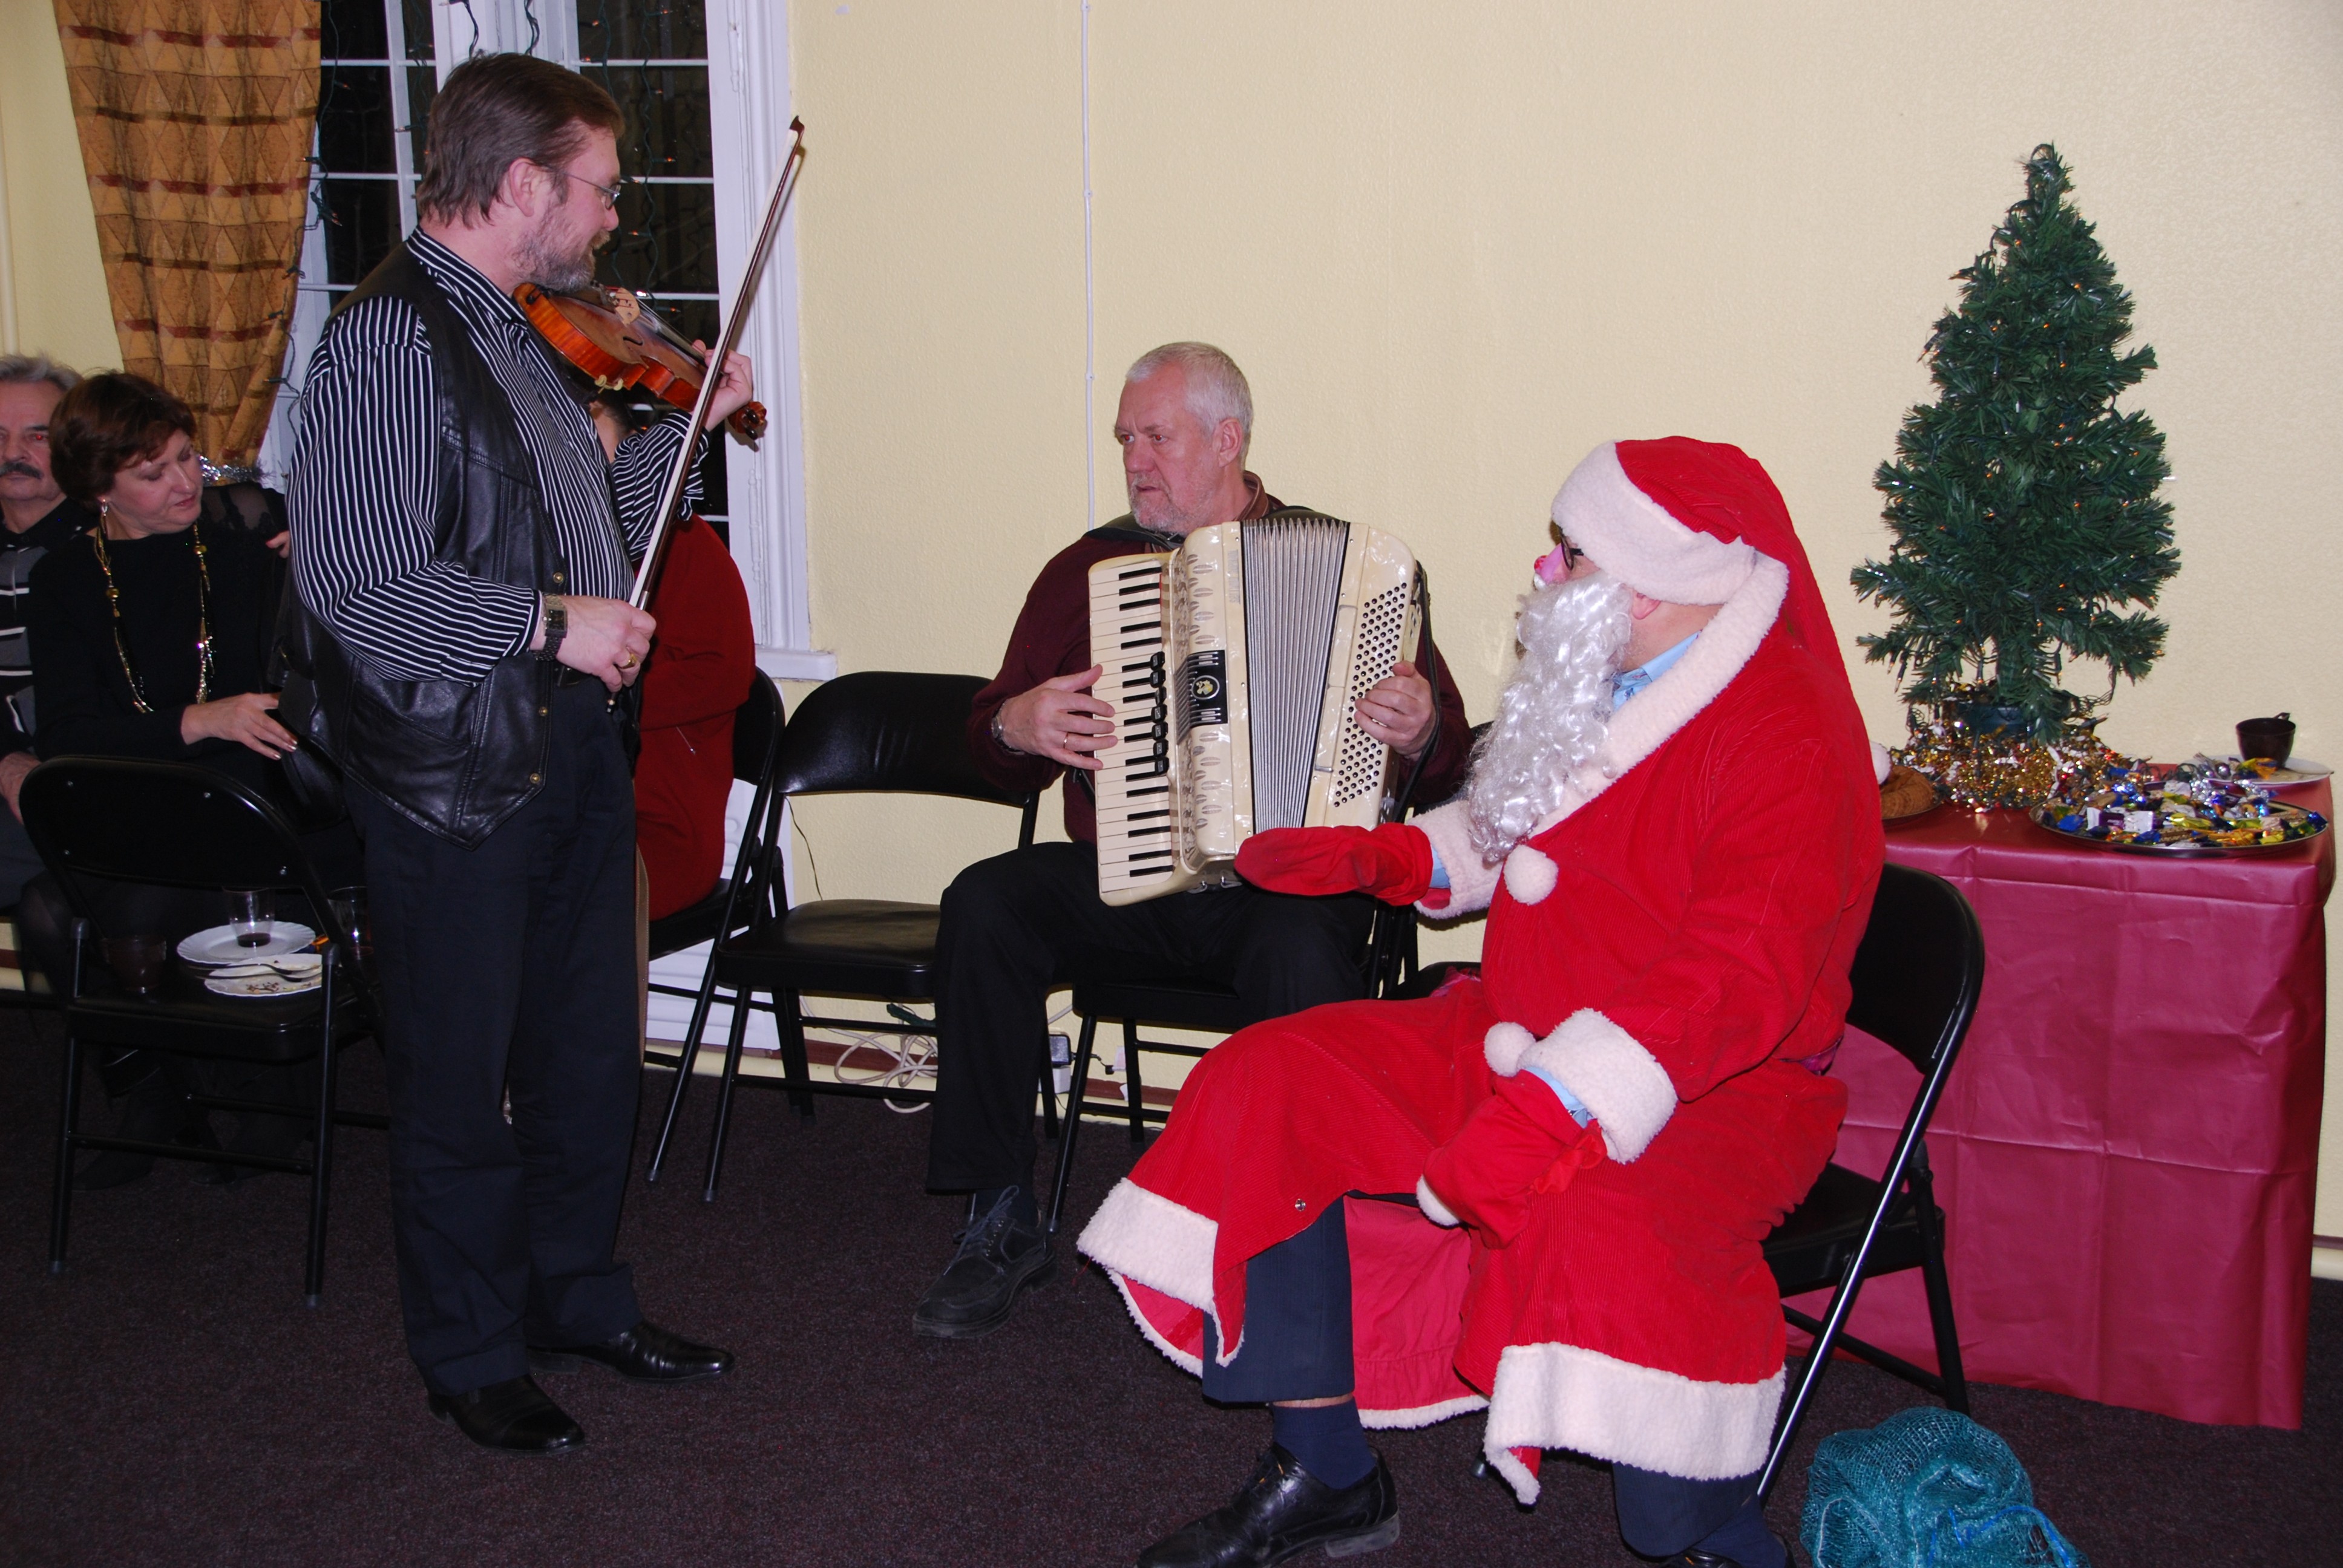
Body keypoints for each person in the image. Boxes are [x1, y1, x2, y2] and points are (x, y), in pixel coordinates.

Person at [1076, 438, 1884, 1568]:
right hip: (1513, 1027)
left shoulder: (1783, 731)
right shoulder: (1613, 672)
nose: (1548, 574)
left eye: (1574, 555)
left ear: (1652, 582)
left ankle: (1714, 1531)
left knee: (1603, 1225)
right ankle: (1326, 1468)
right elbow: (1514, 823)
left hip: (1699, 1086)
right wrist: (1390, 859)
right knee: (1272, 1078)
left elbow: (1739, 976)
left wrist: (1561, 1104)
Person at [281, 53, 749, 1457]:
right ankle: (471, 1353)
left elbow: (599, 531)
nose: (612, 218)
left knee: (585, 1060)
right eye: (599, 187)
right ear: (527, 181)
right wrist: (551, 623)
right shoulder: (387, 340)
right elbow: (357, 582)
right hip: (453, 778)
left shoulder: (527, 334)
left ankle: (575, 1299)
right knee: (456, 1080)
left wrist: (677, 425)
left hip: (568, 750)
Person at [916, 342, 1474, 1341]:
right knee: (987, 901)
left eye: (1157, 437)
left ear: (1227, 440)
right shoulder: (1085, 571)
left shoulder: (1355, 570)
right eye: (1126, 438)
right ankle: (999, 1216)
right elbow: (992, 747)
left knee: (1301, 945)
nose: (1136, 460)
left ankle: (1307, 1235)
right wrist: (1016, 724)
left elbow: (1443, 769)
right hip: (1128, 880)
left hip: (1284, 889)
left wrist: (1422, 726)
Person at [21, 372, 340, 1188]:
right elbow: (66, 736)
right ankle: (154, 1084)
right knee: (50, 911)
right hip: (141, 787)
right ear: (98, 490)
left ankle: (264, 1097)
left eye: (186, 457)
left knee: (156, 896)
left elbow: (325, 665)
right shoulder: (65, 579)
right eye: (152, 472)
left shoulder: (249, 528)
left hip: (255, 788)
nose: (184, 482)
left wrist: (322, 565)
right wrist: (197, 721)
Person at [588, 390, 756, 921]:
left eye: (604, 460)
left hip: (661, 826)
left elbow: (723, 675)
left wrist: (598, 695)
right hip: (573, 820)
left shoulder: (685, 543)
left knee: (565, 911)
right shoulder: (549, 548)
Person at [0, 354, 90, 906]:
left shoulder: (111, 546)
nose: (13, 453)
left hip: (85, 772)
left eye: (37, 436)